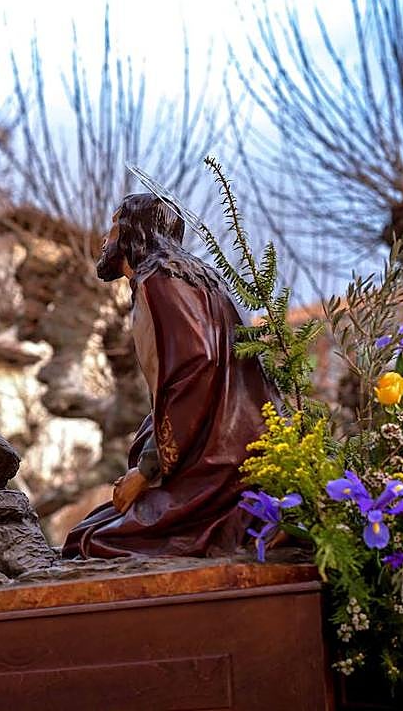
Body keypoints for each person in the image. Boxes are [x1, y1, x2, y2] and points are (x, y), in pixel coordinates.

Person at [62, 193, 280, 559]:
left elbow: (194, 370)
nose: (105, 238)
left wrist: (147, 470)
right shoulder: (196, 275)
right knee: (96, 528)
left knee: (92, 542)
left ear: (135, 230)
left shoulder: (160, 280)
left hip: (218, 469)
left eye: (114, 225)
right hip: (233, 449)